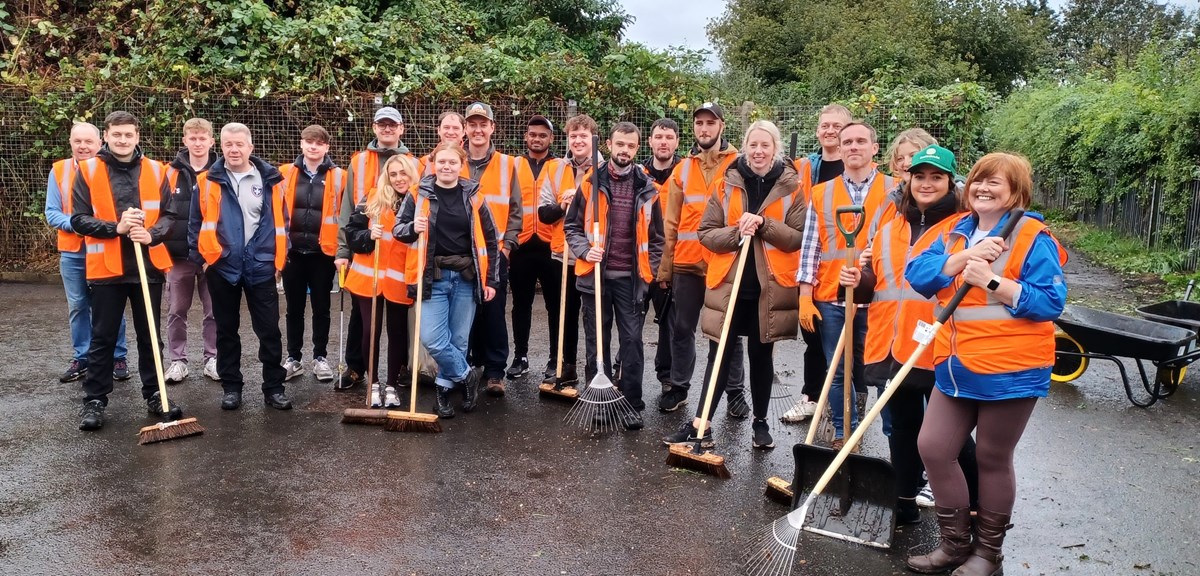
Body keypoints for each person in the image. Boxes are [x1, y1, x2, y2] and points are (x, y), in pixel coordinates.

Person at [904, 152, 1066, 576]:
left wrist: (992, 281)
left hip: (1012, 368)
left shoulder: (1033, 236)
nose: (984, 188)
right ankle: (955, 546)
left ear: (1017, 192)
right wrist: (961, 260)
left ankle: (987, 554)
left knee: (993, 457)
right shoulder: (958, 233)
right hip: (957, 366)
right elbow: (918, 275)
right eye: (978, 180)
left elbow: (1051, 302)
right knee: (934, 448)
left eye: (996, 182)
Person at [838, 144, 978, 526]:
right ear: (908, 179)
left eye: (936, 177)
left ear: (951, 181)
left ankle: (979, 501)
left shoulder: (963, 227)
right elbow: (876, 286)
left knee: (948, 436)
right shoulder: (890, 225)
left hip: (942, 344)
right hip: (894, 343)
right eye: (920, 176)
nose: (927, 183)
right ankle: (903, 499)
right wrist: (858, 280)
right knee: (902, 426)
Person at [662, 120, 805, 449]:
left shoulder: (793, 186)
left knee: (760, 355)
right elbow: (706, 233)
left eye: (765, 145)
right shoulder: (727, 183)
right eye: (753, 144)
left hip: (767, 290)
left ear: (775, 149)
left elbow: (797, 237)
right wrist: (736, 232)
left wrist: (765, 225)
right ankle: (702, 422)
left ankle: (760, 424)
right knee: (719, 354)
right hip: (729, 286)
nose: (758, 151)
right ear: (744, 146)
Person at [70, 111, 180, 431]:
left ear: (137, 136)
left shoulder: (156, 170)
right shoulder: (88, 170)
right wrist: (115, 227)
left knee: (150, 336)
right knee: (103, 337)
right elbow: (79, 219)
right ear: (106, 136)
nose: (122, 140)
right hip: (107, 269)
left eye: (128, 135)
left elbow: (170, 216)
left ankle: (155, 393)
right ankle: (95, 399)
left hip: (148, 267)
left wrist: (152, 234)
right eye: (116, 134)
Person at [797, 121, 896, 451]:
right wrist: (805, 295)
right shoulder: (821, 193)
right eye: (847, 142)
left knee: (879, 372)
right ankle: (845, 434)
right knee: (837, 371)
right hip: (832, 296)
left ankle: (898, 440)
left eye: (860, 141)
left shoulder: (896, 190)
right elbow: (810, 247)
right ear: (839, 149)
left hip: (881, 298)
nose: (853, 147)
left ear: (874, 148)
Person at [563, 121, 664, 431]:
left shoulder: (647, 188)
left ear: (637, 148)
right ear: (608, 144)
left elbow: (658, 239)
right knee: (597, 340)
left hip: (631, 280)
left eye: (631, 146)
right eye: (620, 144)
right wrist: (583, 250)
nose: (625, 150)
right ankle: (600, 400)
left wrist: (650, 272)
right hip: (596, 277)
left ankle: (632, 403)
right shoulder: (591, 183)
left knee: (632, 342)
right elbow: (572, 227)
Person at [189, 122, 293, 411]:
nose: (233, 150)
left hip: (260, 265)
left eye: (239, 144)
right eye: (228, 145)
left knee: (269, 330)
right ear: (220, 147)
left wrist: (278, 259)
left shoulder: (271, 179)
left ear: (250, 147)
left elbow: (282, 222)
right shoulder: (206, 180)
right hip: (222, 267)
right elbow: (195, 223)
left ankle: (274, 388)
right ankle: (231, 387)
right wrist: (205, 260)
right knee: (226, 330)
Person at [394, 141, 499, 419]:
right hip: (433, 277)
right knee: (433, 339)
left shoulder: (474, 195)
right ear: (433, 163)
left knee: (460, 340)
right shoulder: (419, 194)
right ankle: (467, 376)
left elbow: (490, 240)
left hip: (466, 277)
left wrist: (492, 281)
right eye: (441, 162)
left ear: (461, 165)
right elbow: (397, 229)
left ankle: (442, 394)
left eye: (452, 162)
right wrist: (410, 227)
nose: (446, 167)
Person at [656, 103, 747, 417]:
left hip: (726, 263)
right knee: (682, 328)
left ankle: (735, 392)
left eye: (710, 123)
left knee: (726, 331)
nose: (704, 129)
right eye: (699, 123)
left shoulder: (740, 164)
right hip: (687, 263)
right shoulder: (683, 169)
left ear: (722, 125)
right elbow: (670, 223)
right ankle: (679, 386)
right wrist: (665, 268)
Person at [781, 103, 853, 423]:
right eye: (824, 125)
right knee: (813, 337)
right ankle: (812, 397)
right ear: (817, 130)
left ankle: (846, 403)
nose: (829, 131)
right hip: (811, 268)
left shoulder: (859, 169)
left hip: (847, 271)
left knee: (847, 344)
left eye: (836, 126)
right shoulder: (805, 167)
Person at [45, 121, 131, 384]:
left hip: (106, 249)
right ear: (71, 142)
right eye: (77, 141)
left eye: (88, 142)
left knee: (111, 306)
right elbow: (52, 212)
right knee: (79, 306)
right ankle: (82, 358)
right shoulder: (58, 170)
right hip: (73, 253)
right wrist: (78, 224)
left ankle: (118, 357)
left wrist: (99, 228)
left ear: (99, 143)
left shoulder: (109, 170)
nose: (83, 146)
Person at [335, 106, 412, 390]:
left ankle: (397, 372)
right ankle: (357, 369)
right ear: (375, 128)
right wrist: (343, 251)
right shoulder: (359, 162)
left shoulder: (412, 162)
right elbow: (347, 212)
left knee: (398, 324)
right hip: (365, 255)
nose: (387, 129)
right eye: (382, 125)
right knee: (363, 320)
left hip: (398, 264)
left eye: (392, 125)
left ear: (401, 128)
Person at [344, 155, 417, 408]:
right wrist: (367, 235)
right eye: (393, 174)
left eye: (403, 173)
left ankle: (392, 386)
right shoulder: (372, 199)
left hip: (399, 279)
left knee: (397, 334)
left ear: (412, 174)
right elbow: (351, 234)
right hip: (369, 278)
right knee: (369, 331)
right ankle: (373, 383)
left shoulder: (420, 201)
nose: (399, 179)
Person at [461, 102, 522, 397]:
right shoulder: (452, 160)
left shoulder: (508, 164)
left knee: (494, 310)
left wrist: (508, 246)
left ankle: (496, 371)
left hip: (495, 252)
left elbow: (516, 211)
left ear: (492, 128)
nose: (477, 129)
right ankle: (469, 365)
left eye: (483, 124)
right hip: (460, 251)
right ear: (466, 129)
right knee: (464, 310)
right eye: (472, 124)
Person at [279, 124, 346, 383]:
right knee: (293, 309)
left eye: (319, 142)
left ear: (326, 147)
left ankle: (320, 357)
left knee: (322, 308)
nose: (313, 146)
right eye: (309, 141)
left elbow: (345, 214)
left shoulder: (340, 176)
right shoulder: (285, 173)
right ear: (301, 144)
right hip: (293, 252)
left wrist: (342, 250)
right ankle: (293, 358)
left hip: (323, 254)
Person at [536, 113, 598, 389]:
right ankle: (565, 366)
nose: (578, 140)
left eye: (583, 135)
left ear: (594, 139)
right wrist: (563, 206)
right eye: (573, 136)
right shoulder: (554, 169)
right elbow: (543, 213)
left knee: (595, 317)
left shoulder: (604, 169)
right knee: (563, 313)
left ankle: (596, 371)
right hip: (562, 254)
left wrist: (580, 202)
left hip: (593, 256)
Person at [161, 118, 220, 384]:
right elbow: (159, 214)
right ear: (184, 140)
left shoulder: (221, 171)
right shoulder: (168, 173)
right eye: (192, 138)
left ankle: (213, 358)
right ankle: (177, 361)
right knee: (176, 310)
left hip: (213, 258)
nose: (197, 143)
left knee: (214, 311)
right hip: (178, 256)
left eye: (202, 138)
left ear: (211, 140)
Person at [508, 115, 560, 381]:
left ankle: (555, 359)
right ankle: (521, 357)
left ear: (551, 138)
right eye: (533, 134)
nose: (537, 139)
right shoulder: (513, 165)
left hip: (552, 246)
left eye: (543, 135)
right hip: (522, 244)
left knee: (555, 305)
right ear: (526, 137)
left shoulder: (560, 166)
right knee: (521, 304)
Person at [642, 117, 682, 391]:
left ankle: (666, 375)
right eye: (659, 137)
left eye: (669, 137)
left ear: (677, 142)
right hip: (641, 258)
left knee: (669, 319)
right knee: (632, 316)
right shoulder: (638, 173)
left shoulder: (685, 173)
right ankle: (624, 367)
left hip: (672, 260)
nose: (663, 142)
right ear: (651, 141)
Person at [417, 111, 466, 176]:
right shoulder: (425, 162)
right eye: (446, 127)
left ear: (464, 131)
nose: (450, 132)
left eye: (456, 128)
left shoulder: (473, 161)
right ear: (438, 130)